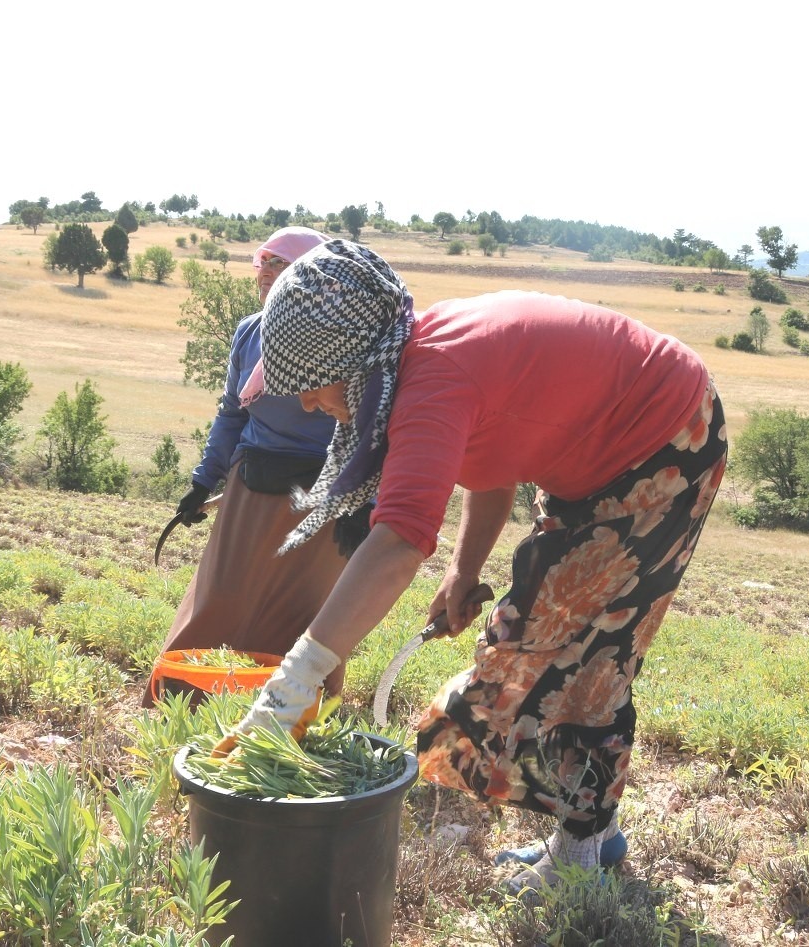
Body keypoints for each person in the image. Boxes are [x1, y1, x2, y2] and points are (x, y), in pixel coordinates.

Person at [218, 240, 728, 893]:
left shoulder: (434, 377)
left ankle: (575, 868)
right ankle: (590, 840)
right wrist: (464, 570)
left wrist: (293, 684)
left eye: (308, 386)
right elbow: (494, 457)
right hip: (622, 453)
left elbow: (398, 540)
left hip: (662, 441)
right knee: (560, 647)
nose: (309, 405)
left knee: (565, 657)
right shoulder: (427, 360)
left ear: (350, 363)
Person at [147, 227, 367, 706]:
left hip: (323, 494)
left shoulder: (344, 338)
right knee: (219, 599)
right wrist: (202, 480)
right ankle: (181, 706)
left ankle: (291, 720)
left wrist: (361, 503)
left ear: (313, 278)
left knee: (303, 612)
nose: (267, 272)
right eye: (262, 261)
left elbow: (370, 426)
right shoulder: (251, 331)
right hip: (252, 484)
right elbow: (232, 413)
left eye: (281, 263)